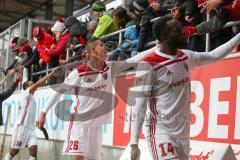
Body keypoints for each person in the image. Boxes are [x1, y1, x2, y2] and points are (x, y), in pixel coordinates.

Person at [130, 18, 240, 160]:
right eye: (177, 30)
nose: (183, 32)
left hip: (183, 134)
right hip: (160, 132)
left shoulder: (185, 56)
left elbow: (214, 55)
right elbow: (139, 105)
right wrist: (133, 144)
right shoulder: (149, 65)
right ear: (164, 38)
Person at [36, 38, 152, 160]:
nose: (105, 48)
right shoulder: (79, 72)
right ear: (93, 50)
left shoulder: (110, 67)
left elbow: (132, 60)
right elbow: (59, 92)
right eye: (101, 45)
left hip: (97, 127)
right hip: (79, 124)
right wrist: (43, 113)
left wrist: (156, 48)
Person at [4, 68, 60, 160]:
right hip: (21, 127)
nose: (33, 84)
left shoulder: (33, 98)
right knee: (14, 151)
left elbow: (33, 80)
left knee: (33, 151)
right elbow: (38, 83)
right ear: (27, 87)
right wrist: (50, 74)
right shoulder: (25, 93)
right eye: (31, 84)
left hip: (31, 129)